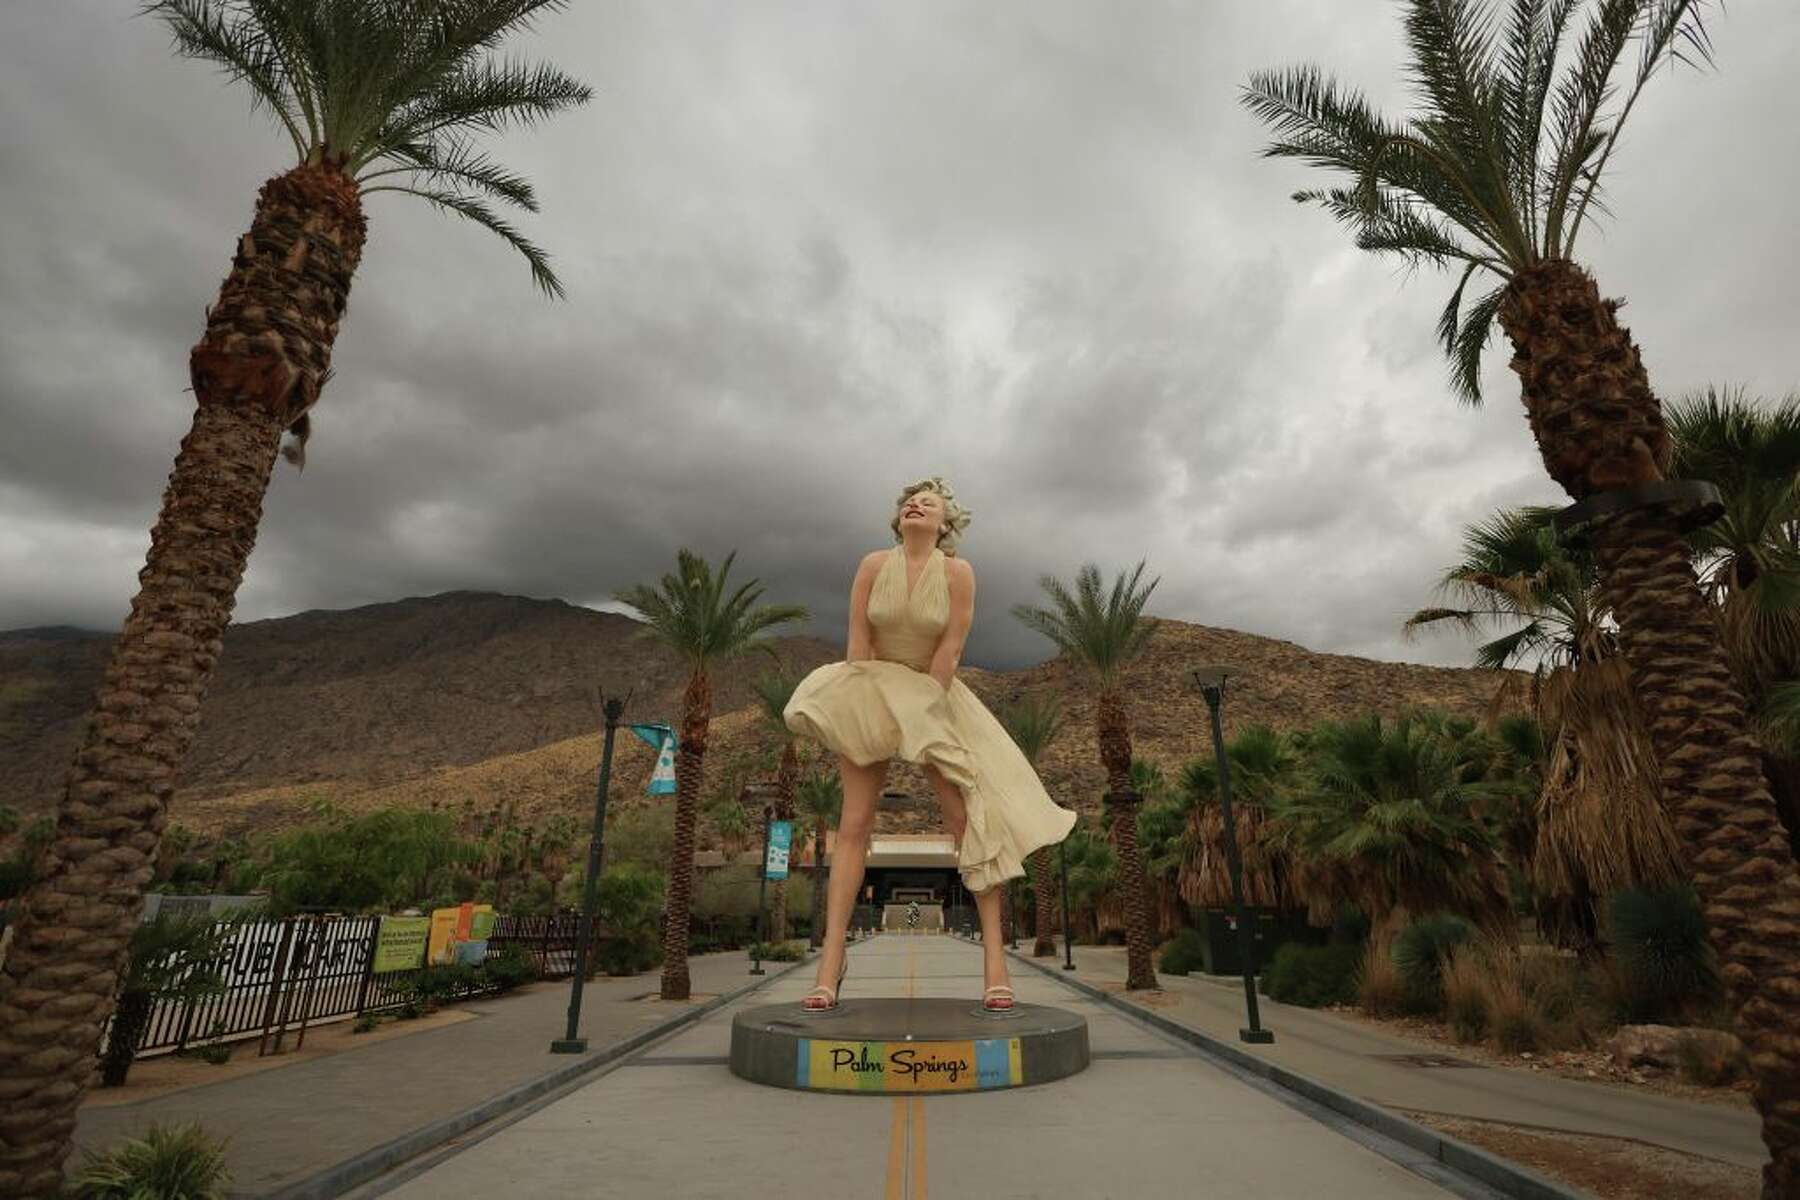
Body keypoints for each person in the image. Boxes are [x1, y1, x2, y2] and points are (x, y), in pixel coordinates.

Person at [785, 477, 1077, 1012]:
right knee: (851, 825)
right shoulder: (872, 565)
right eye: (909, 502)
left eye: (930, 503)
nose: (916, 505)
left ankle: (995, 962)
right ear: (899, 518)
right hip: (873, 688)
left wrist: (922, 715)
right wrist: (865, 706)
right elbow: (858, 645)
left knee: (968, 822)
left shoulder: (958, 574)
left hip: (934, 695)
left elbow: (952, 648)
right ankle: (832, 961)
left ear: (946, 524)